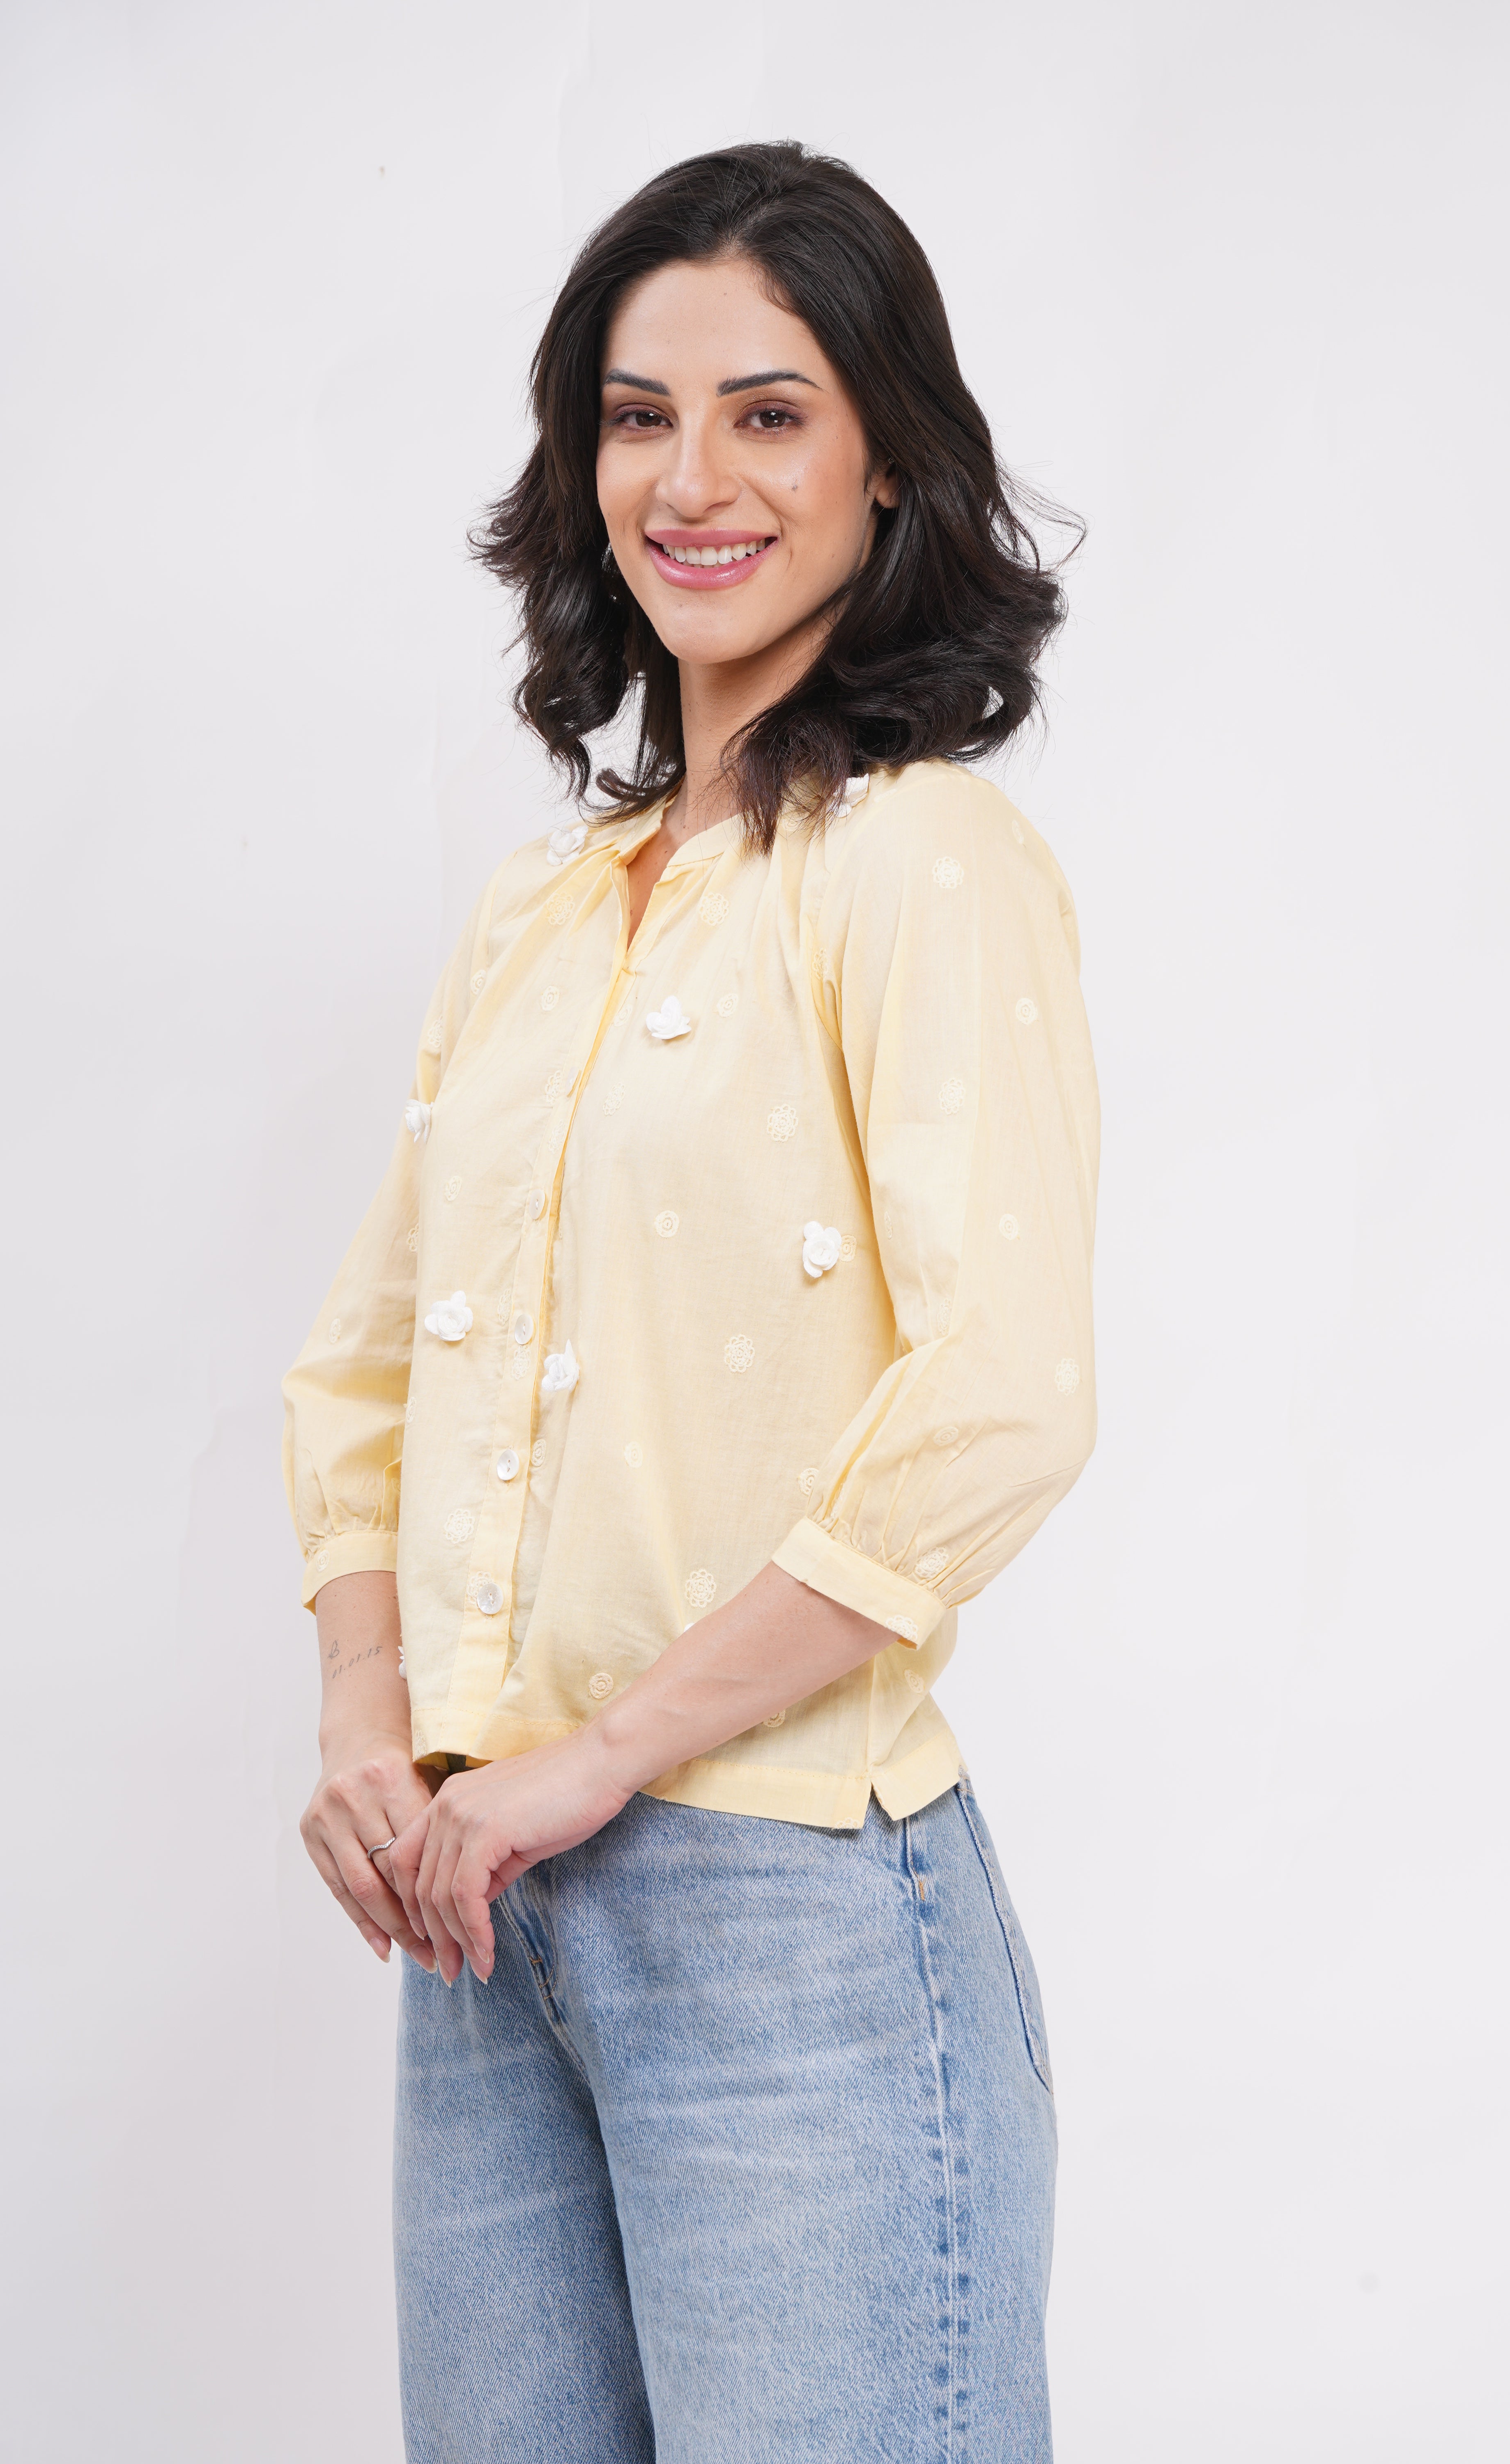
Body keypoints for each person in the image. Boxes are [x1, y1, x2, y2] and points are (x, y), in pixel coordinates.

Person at [283, 140, 1098, 2463]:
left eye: (769, 412)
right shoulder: (544, 913)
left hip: (792, 1919)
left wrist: (605, 1754)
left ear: (887, 462)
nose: (690, 479)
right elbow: (363, 1374)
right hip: (482, 1915)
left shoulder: (925, 862)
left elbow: (1002, 1398)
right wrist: (373, 1721)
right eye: (637, 417)